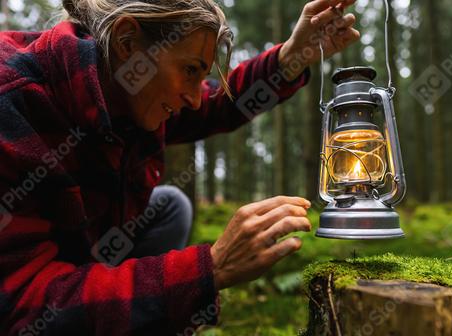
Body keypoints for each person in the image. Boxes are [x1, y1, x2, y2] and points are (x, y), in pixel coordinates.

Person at [0, 0, 359, 334]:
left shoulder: (128, 82)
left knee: (170, 207)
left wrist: (292, 57)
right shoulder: (14, 104)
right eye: (189, 70)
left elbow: (219, 104)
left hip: (80, 248)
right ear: (127, 42)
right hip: (29, 294)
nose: (194, 95)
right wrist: (209, 269)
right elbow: (24, 305)